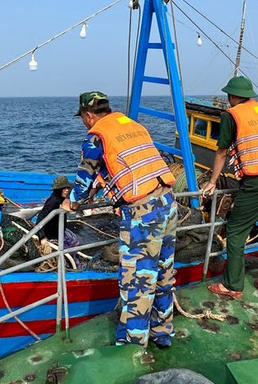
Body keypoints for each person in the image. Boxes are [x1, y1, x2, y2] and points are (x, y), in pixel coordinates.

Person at [61, 91, 177, 349]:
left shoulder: (96, 135)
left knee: (138, 279)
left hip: (144, 213)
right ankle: (162, 333)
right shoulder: (132, 125)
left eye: (82, 117)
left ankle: (133, 346)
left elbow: (84, 174)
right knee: (163, 273)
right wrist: (97, 188)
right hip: (168, 203)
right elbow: (126, 164)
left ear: (89, 116)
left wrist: (72, 201)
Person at [201, 77, 258, 301]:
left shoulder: (232, 115)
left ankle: (232, 285)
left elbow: (222, 152)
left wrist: (212, 182)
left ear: (232, 96)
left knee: (236, 232)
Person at [35, 175, 83, 267]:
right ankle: (71, 265)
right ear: (58, 189)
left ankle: (74, 261)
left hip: (60, 230)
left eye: (67, 188)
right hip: (52, 234)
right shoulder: (53, 201)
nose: (66, 190)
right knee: (70, 248)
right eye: (63, 188)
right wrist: (42, 237)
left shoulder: (61, 198)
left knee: (76, 243)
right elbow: (41, 217)